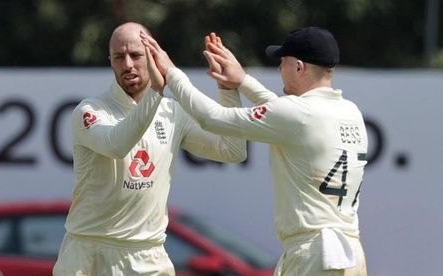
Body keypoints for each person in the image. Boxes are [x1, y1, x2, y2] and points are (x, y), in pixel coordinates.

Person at [142, 27, 368, 275]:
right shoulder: (350, 111)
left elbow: (212, 118)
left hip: (314, 254)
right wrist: (241, 82)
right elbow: (286, 115)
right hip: (350, 252)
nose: (280, 69)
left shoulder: (299, 114)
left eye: (283, 62)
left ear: (299, 67)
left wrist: (172, 73)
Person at [53, 22, 247, 276]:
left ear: (153, 56)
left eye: (136, 55)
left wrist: (228, 89)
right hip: (90, 252)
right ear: (110, 61)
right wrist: (156, 91)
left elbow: (233, 150)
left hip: (148, 256)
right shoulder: (90, 111)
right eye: (119, 57)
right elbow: (116, 145)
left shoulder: (173, 112)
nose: (128, 65)